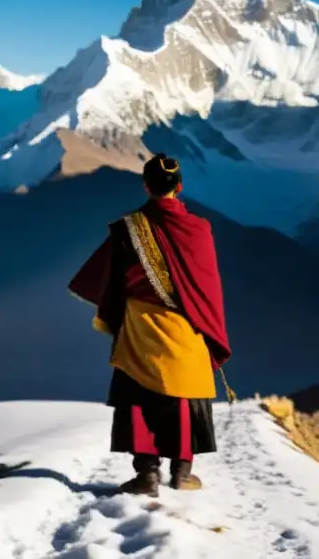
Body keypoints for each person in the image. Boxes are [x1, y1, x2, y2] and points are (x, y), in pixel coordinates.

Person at [67, 153, 231, 497]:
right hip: (186, 327)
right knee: (183, 393)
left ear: (146, 185)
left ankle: (147, 475)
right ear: (180, 187)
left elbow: (106, 278)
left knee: (139, 394)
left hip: (140, 325)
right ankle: (182, 473)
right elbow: (208, 288)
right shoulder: (199, 230)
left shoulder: (129, 228)